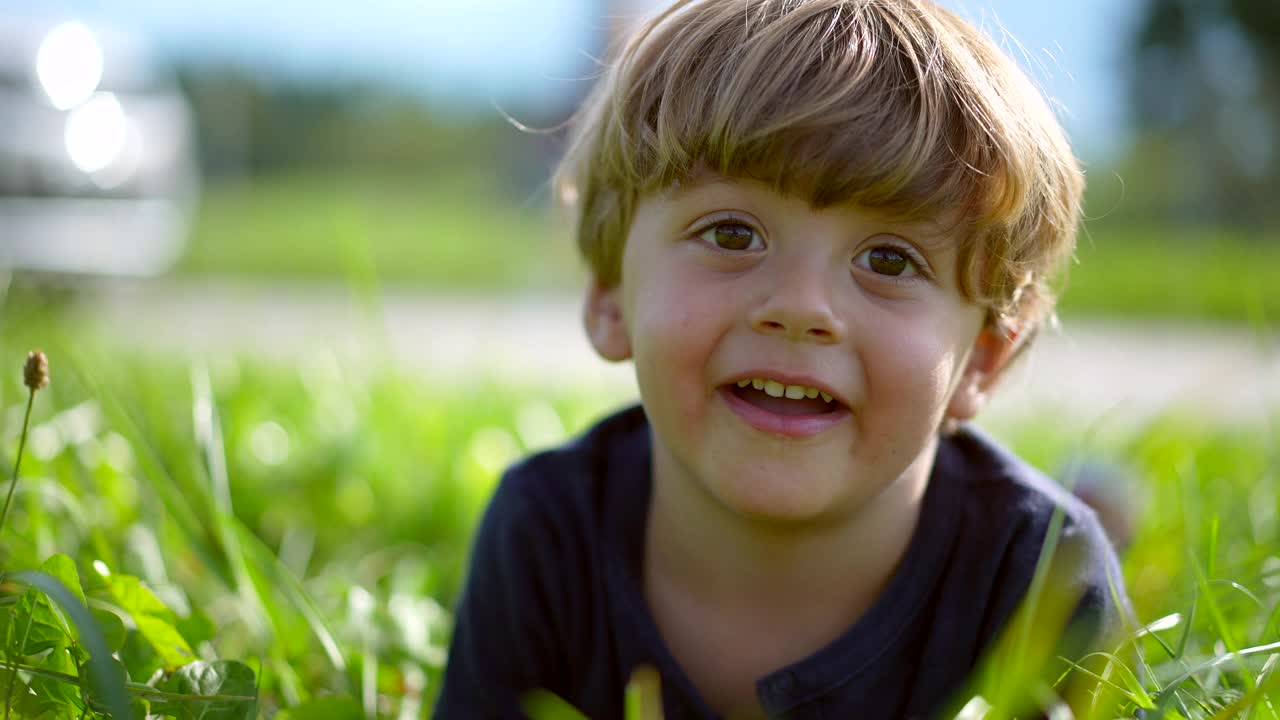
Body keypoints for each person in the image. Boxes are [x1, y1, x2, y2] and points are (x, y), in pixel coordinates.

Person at [436, 0, 1132, 717]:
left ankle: (1101, 498)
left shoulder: (1039, 582)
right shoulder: (546, 539)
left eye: (889, 259)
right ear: (611, 296)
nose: (800, 306)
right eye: (733, 235)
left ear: (983, 358)